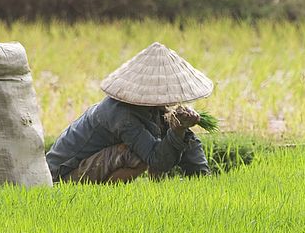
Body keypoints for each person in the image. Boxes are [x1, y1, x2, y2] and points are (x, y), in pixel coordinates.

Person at [46, 42, 213, 183]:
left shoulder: (153, 108)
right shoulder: (122, 115)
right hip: (63, 175)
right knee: (138, 156)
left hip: (87, 163)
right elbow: (157, 161)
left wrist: (202, 181)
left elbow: (187, 142)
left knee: (162, 136)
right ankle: (107, 198)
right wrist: (177, 131)